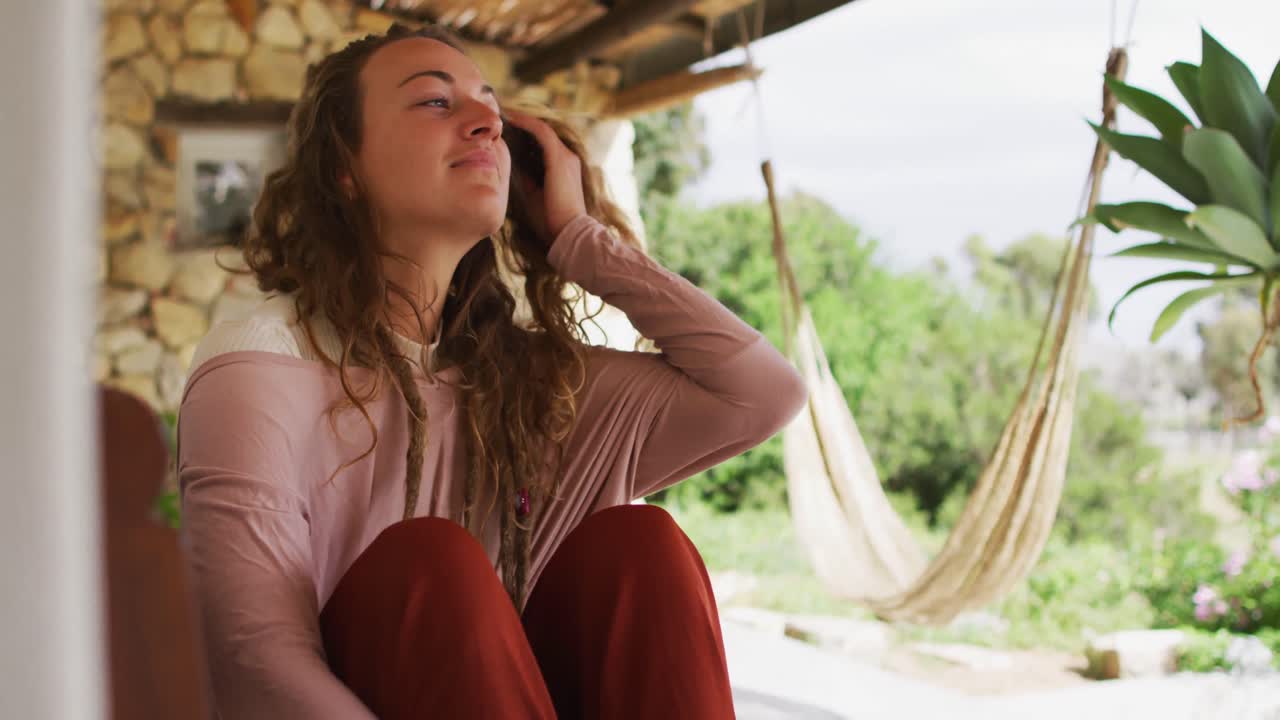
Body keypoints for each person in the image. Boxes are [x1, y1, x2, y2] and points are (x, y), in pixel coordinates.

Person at [177, 22, 808, 720]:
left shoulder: (537, 383)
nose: (488, 123)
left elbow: (763, 394)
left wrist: (579, 239)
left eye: (494, 113)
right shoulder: (264, 361)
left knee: (643, 545)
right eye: (436, 103)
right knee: (431, 565)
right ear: (344, 169)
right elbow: (253, 661)